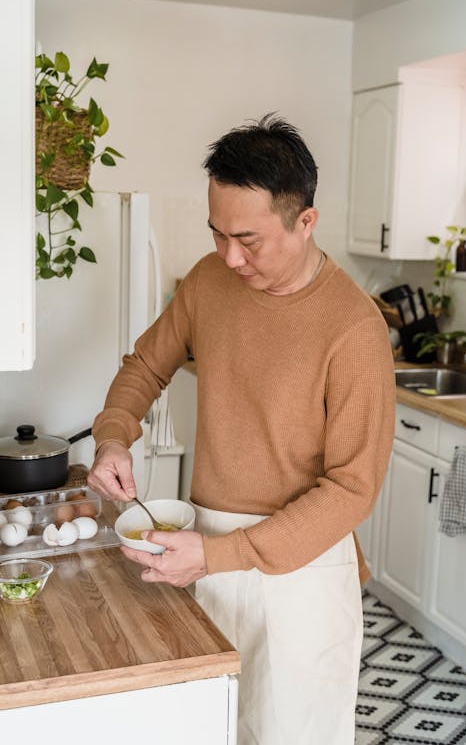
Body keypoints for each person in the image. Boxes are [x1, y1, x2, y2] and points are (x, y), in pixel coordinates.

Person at [88, 114, 395, 744]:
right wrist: (114, 434)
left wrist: (221, 556)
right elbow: (146, 365)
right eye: (217, 234)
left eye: (248, 240)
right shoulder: (208, 281)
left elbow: (352, 489)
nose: (229, 256)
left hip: (300, 576)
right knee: (210, 729)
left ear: (304, 221)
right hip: (203, 549)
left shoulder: (354, 327)